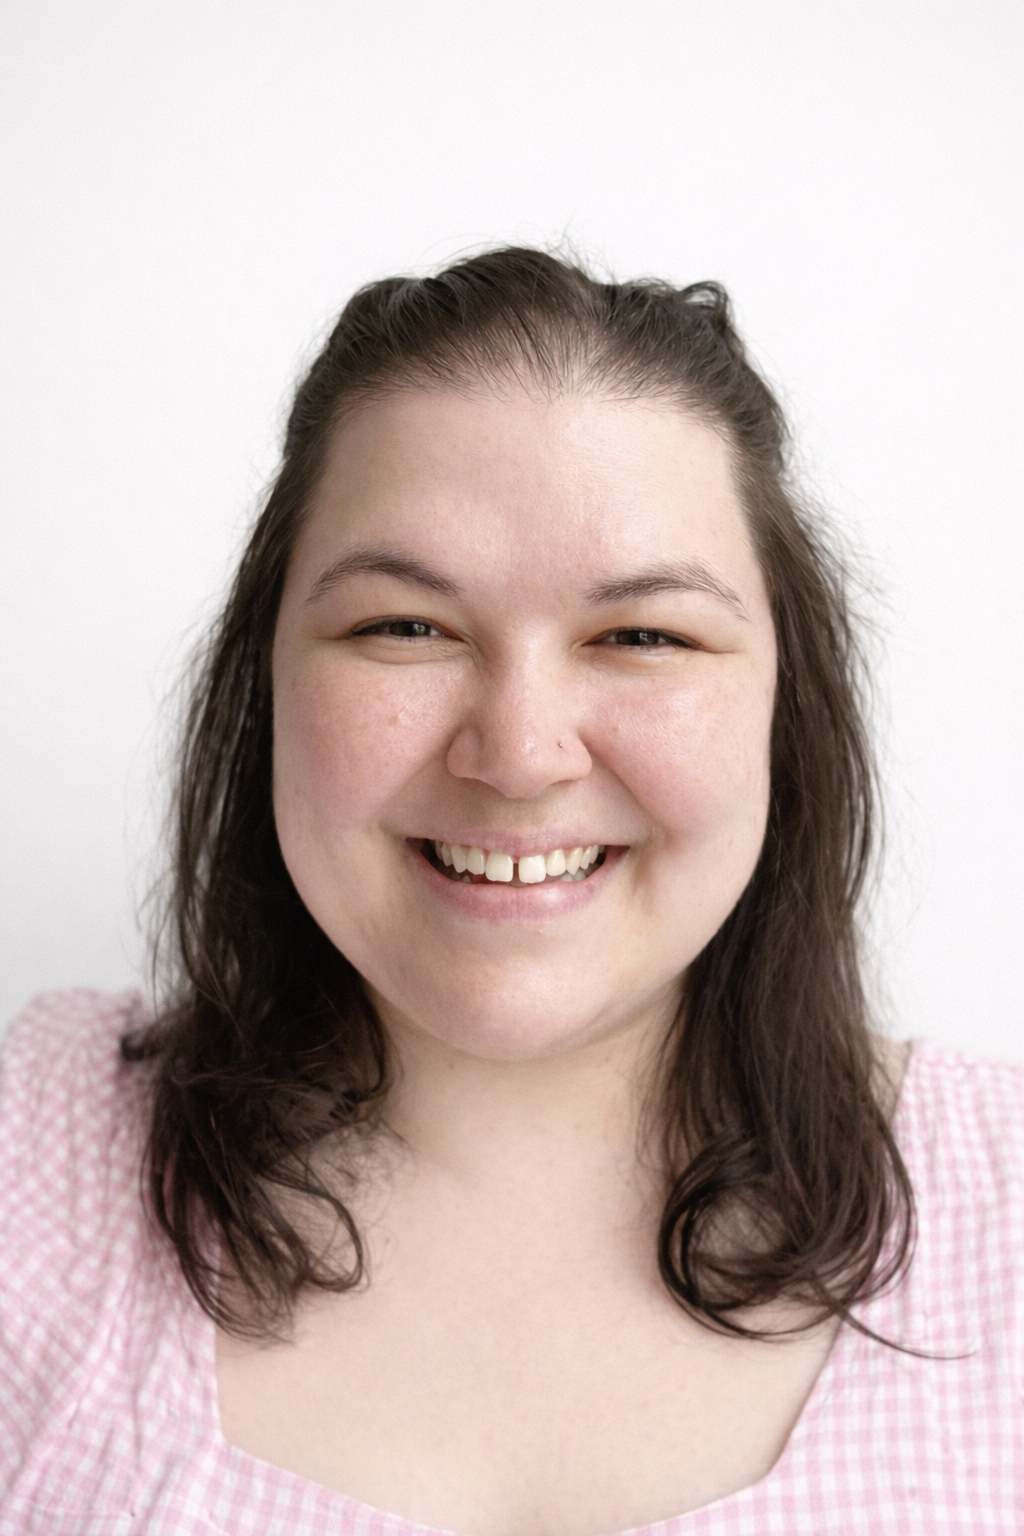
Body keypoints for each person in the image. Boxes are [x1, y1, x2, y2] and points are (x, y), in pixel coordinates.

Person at [1, 248, 1021, 1536]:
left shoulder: (1011, 1203)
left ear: (784, 703)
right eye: (404, 628)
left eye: (642, 636)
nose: (522, 751)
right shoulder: (29, 1163)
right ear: (266, 688)